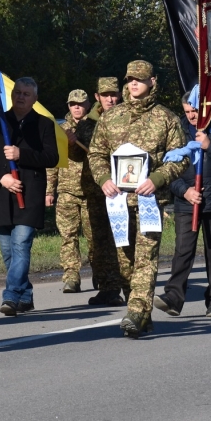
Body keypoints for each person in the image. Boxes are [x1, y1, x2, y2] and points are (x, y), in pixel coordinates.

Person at [88, 60, 189, 338]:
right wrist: (103, 179)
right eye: (130, 78)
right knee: (124, 261)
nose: (134, 83)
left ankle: (135, 310)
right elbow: (96, 154)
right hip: (118, 201)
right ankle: (143, 313)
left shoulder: (166, 118)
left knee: (146, 257)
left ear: (152, 82)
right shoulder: (111, 117)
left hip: (150, 201)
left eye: (140, 79)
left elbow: (181, 158)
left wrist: (156, 180)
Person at [0, 76, 59, 318]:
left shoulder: (44, 124)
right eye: (18, 92)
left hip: (29, 194)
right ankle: (25, 294)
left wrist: (22, 154)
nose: (21, 96)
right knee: (8, 251)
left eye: (26, 94)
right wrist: (2, 176)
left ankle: (11, 295)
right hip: (1, 194)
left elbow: (51, 157)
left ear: (34, 99)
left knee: (21, 244)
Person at [156, 93, 211, 319]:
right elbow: (167, 168)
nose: (191, 115)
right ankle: (173, 298)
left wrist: (210, 145)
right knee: (183, 251)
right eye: (187, 111)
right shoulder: (177, 130)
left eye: (195, 110)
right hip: (187, 200)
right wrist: (185, 191)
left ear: (206, 107)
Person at [84, 77, 131, 305]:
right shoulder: (86, 123)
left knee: (123, 241)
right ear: (97, 97)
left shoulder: (128, 117)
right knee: (99, 242)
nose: (110, 99)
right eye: (105, 95)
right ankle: (108, 287)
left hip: (124, 190)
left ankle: (130, 287)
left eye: (114, 94)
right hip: (96, 190)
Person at [45, 89, 98, 294]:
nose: (76, 107)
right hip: (67, 192)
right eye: (72, 103)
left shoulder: (95, 128)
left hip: (92, 191)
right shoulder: (60, 130)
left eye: (81, 103)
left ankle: (99, 275)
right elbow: (52, 164)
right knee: (68, 236)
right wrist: (50, 191)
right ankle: (71, 277)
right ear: (68, 106)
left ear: (87, 105)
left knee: (95, 238)